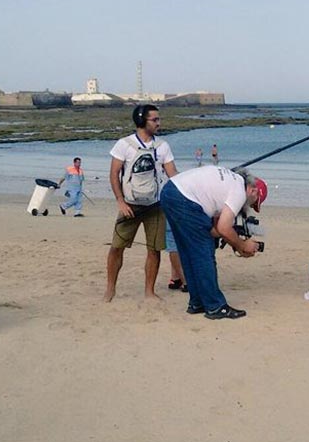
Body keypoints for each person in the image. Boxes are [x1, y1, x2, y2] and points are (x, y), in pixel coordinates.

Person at [161, 166, 267, 319]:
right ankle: (215, 306)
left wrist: (235, 242)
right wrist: (243, 245)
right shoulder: (238, 192)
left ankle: (197, 302)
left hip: (170, 192)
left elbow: (215, 229)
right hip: (185, 198)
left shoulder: (229, 182)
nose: (248, 207)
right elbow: (223, 228)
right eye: (253, 204)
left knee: (188, 251)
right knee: (204, 251)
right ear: (253, 191)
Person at [105, 104, 177, 302]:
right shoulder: (124, 145)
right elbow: (113, 174)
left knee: (154, 250)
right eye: (154, 120)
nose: (159, 123)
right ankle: (110, 289)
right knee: (117, 247)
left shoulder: (163, 146)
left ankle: (149, 292)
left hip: (156, 205)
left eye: (158, 119)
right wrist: (120, 201)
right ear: (141, 121)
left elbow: (173, 174)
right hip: (130, 205)